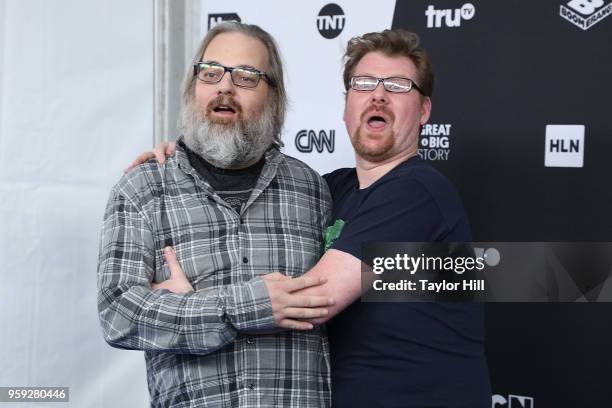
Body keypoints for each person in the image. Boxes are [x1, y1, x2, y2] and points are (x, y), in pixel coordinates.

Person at [136, 29, 491, 407]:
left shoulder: (418, 192)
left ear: (423, 111)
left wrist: (194, 305)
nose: (379, 95)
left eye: (399, 86)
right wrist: (187, 158)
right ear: (347, 104)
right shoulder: (329, 189)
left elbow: (312, 299)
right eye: (364, 83)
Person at [97, 22, 335, 407]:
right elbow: (117, 314)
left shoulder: (311, 189)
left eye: (246, 76)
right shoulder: (142, 189)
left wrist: (181, 307)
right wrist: (246, 305)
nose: (225, 86)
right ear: (193, 89)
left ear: (273, 98)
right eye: (210, 73)